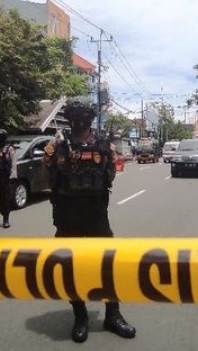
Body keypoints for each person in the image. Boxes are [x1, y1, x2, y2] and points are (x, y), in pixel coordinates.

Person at [43, 96, 136, 343]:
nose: (79, 119)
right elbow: (50, 177)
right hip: (67, 214)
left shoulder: (105, 146)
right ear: (70, 118)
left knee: (107, 264)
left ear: (90, 118)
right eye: (75, 114)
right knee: (70, 268)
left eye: (83, 114)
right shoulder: (57, 146)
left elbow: (110, 176)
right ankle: (80, 316)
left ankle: (113, 314)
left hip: (96, 214)